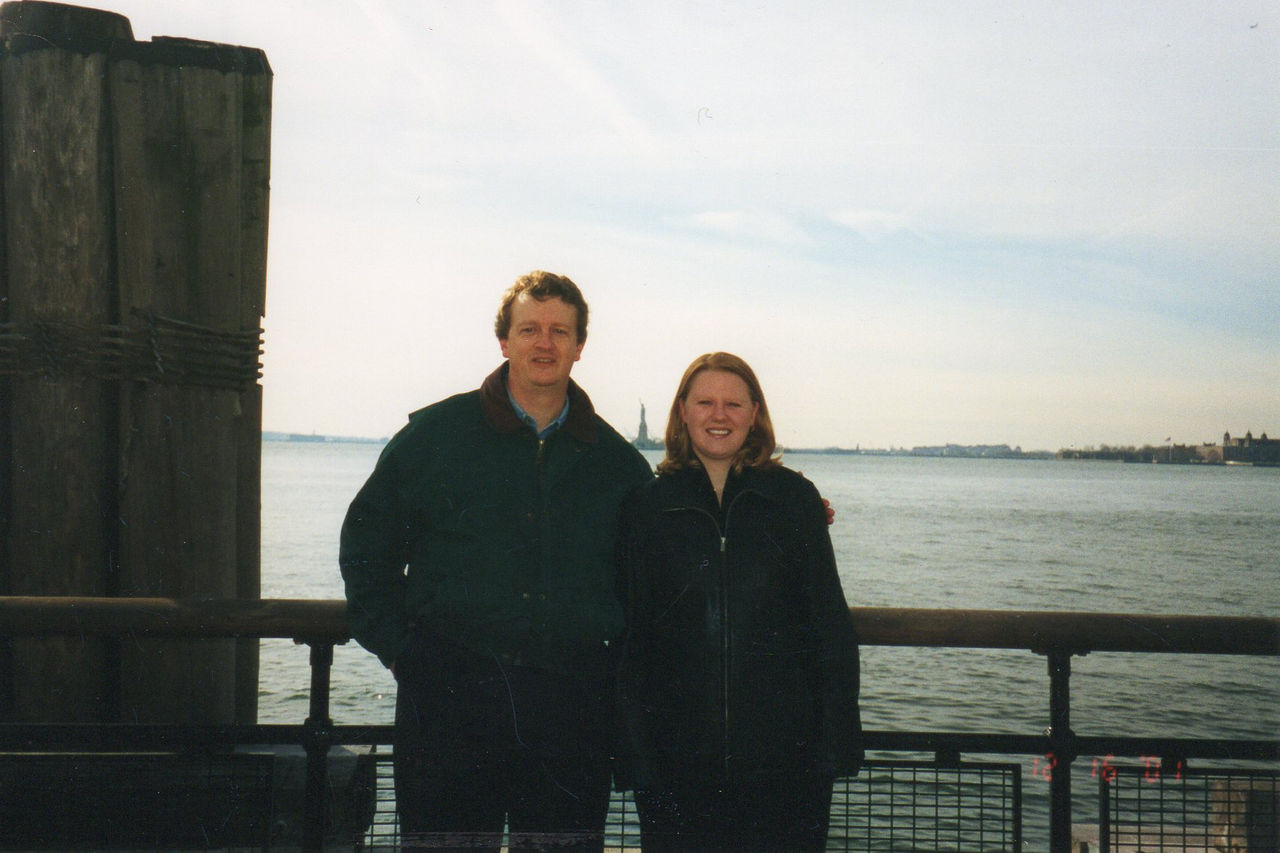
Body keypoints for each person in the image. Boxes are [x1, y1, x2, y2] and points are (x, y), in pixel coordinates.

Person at [339, 271, 653, 852]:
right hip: (448, 706)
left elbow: (655, 577)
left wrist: (770, 489)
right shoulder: (435, 436)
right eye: (529, 329)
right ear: (504, 341)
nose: (544, 343)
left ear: (580, 346)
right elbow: (366, 547)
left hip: (570, 715)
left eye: (560, 331)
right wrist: (404, 651)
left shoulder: (617, 464)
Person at [615, 351, 863, 853]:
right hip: (674, 767)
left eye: (733, 403)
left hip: (787, 768)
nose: (719, 415)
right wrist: (634, 755)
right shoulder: (647, 507)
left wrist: (835, 746)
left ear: (755, 414)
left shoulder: (793, 500)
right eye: (705, 402)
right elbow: (630, 643)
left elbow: (829, 628)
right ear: (683, 411)